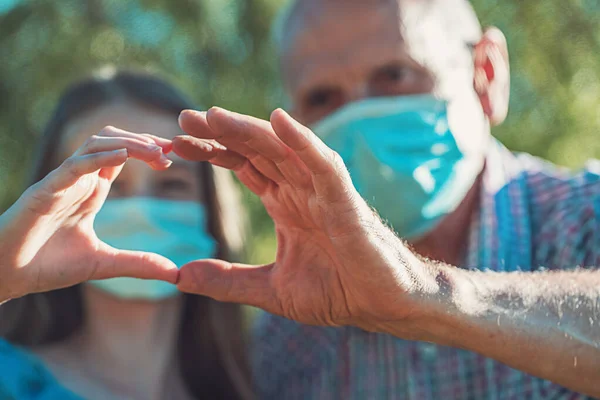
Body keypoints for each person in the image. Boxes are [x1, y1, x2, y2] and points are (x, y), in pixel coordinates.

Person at [167, 0, 600, 398]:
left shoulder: (587, 219)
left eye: (395, 75)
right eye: (323, 98)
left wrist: (432, 297)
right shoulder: (288, 337)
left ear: (485, 74)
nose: (360, 114)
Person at [0, 69, 253, 399]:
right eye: (110, 184)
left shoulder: (262, 382)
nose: (141, 208)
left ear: (212, 209)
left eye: (173, 183)